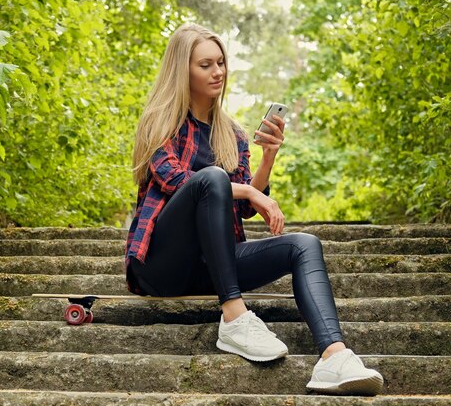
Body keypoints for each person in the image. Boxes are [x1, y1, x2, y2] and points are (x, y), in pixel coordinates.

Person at [125, 22, 384, 396]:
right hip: (161, 265)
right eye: (205, 65)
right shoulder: (161, 122)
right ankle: (234, 316)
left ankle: (334, 357)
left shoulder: (232, 134)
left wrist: (268, 159)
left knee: (304, 245)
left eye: (221, 63)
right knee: (210, 179)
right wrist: (248, 190)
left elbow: (245, 208)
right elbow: (177, 181)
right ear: (183, 71)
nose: (218, 72)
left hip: (215, 266)